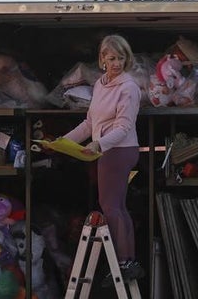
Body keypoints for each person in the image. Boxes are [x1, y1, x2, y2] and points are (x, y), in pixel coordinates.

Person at [61, 33, 144, 282]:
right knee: (117, 206)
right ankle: (128, 261)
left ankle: (124, 261)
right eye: (112, 58)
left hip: (119, 150)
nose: (116, 63)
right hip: (106, 150)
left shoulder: (128, 87)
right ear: (102, 59)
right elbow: (90, 123)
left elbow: (124, 127)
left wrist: (99, 144)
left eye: (121, 58)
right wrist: (63, 142)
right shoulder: (100, 84)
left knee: (110, 206)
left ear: (127, 59)